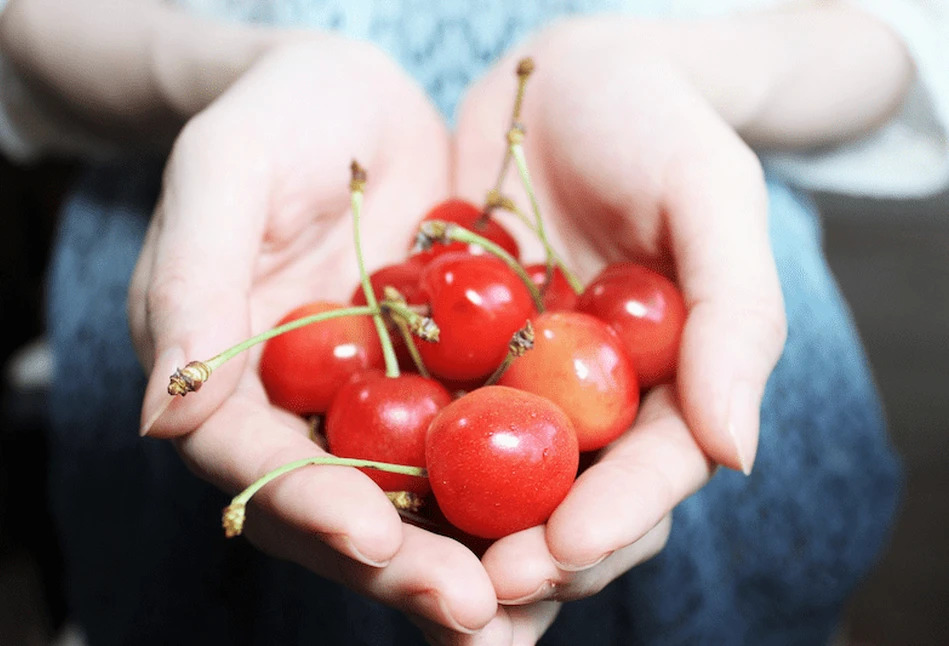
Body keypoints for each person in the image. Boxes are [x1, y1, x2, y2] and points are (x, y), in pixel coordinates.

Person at [1, 0, 945, 644]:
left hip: (656, 190)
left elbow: (891, 24)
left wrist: (668, 67)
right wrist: (231, 67)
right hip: (256, 214)